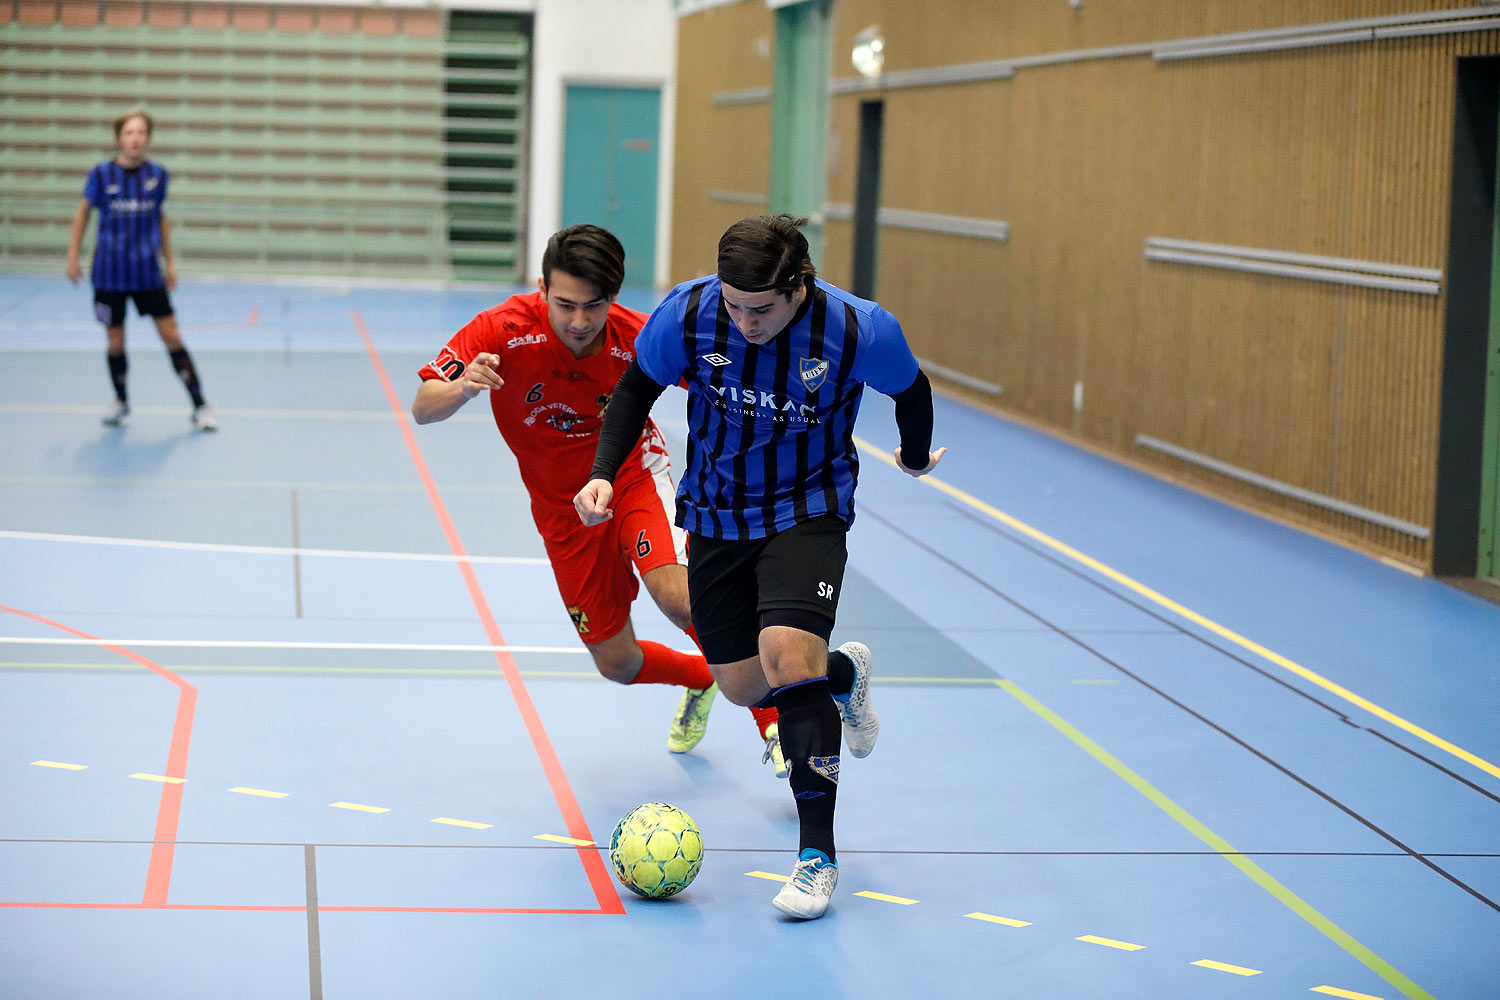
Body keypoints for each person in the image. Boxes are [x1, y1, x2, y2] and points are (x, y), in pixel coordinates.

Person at [575, 213, 946, 919]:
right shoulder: (686, 313)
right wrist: (601, 472)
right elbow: (634, 392)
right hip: (716, 513)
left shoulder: (859, 329)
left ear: (798, 286)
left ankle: (816, 859)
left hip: (810, 507)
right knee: (746, 685)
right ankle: (846, 676)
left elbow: (913, 391)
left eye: (762, 308)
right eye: (735, 305)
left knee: (788, 653)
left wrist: (917, 452)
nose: (745, 322)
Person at [412, 224, 783, 770]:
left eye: (594, 305)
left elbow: (725, 387)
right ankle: (707, 675)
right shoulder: (499, 330)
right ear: (541, 287)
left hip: (632, 476)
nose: (580, 321)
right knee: (617, 662)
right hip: (562, 513)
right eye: (565, 304)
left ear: (614, 296)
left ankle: (773, 724)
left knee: (678, 596)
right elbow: (424, 405)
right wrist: (464, 386)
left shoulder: (638, 335)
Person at [66, 109, 215, 431]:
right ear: (119, 138)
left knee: (172, 336)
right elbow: (83, 214)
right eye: (130, 133)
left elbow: (162, 219)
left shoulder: (158, 176)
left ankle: (200, 405)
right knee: (115, 342)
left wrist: (170, 262)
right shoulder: (101, 175)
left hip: (147, 274)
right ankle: (121, 400)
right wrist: (73, 255)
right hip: (109, 275)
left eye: (142, 133)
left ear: (148, 138)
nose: (136, 138)